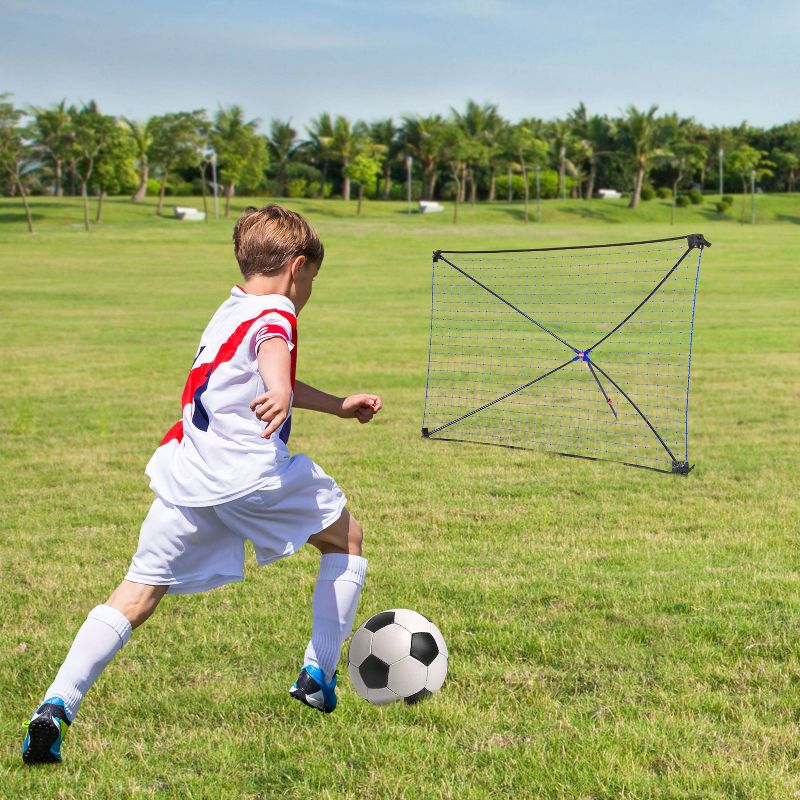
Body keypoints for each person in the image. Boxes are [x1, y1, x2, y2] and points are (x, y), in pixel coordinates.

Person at [23, 204, 382, 765]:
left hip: (189, 477)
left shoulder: (229, 309)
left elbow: (259, 372)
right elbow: (273, 348)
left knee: (136, 595)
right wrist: (280, 390)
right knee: (348, 539)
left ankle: (55, 706)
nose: (308, 289)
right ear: (297, 265)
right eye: (312, 277)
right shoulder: (276, 312)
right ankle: (318, 672)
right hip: (249, 476)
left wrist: (334, 405)